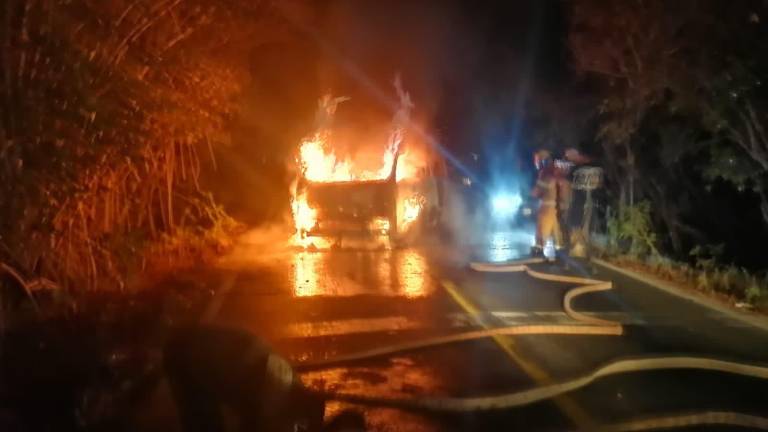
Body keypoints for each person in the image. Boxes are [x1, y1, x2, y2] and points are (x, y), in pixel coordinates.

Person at [164, 325, 366, 432]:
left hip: (216, 348)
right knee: (203, 422)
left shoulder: (298, 395)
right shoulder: (270, 402)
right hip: (186, 355)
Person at [531, 150, 569, 257]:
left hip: (547, 206)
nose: (537, 163)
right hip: (558, 206)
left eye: (538, 161)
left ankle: (539, 246)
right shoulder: (558, 173)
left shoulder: (545, 174)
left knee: (543, 225)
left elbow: (537, 192)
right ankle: (559, 247)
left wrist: (530, 193)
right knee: (556, 227)